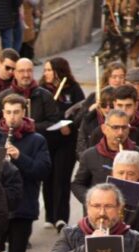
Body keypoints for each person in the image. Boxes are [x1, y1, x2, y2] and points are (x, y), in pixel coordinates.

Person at [0, 94, 51, 252]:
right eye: (8, 112)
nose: (12, 117)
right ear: (3, 114)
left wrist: (19, 156)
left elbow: (42, 171)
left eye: (16, 112)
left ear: (24, 113)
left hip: (23, 207)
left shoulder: (37, 140)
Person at [71, 109, 139, 205]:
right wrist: (92, 201)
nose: (120, 133)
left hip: (133, 214)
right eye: (115, 127)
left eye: (124, 128)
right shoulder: (90, 155)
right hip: (100, 213)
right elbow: (77, 184)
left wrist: (137, 181)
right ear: (104, 129)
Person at [40, 57, 85, 229]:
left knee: (61, 177)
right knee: (48, 177)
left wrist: (71, 125)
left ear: (59, 71)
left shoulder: (73, 89)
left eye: (49, 70)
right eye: (45, 70)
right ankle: (49, 215)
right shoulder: (42, 90)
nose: (46, 73)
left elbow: (81, 111)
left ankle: (61, 217)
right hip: (47, 139)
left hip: (66, 141)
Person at [0, 58, 60, 135]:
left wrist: (31, 126)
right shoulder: (3, 96)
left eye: (29, 71)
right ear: (15, 73)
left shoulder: (45, 95)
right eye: (21, 71)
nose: (26, 75)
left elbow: (54, 123)